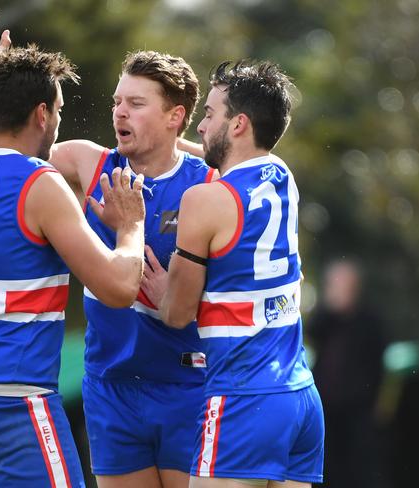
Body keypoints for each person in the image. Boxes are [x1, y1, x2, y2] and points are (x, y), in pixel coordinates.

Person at [0, 5, 215, 486]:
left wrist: (180, 296)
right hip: (110, 386)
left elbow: (259, 175)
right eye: (117, 101)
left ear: (176, 115)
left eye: (136, 103)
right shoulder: (85, 162)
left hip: (186, 384)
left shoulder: (210, 184)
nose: (118, 111)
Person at [0, 5, 146, 487]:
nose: (60, 121)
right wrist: (130, 225)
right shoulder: (40, 183)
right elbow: (118, 287)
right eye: (59, 111)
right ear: (41, 113)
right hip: (11, 408)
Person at [141, 60, 324, 487]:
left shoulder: (204, 199)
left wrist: (168, 288)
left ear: (239, 124)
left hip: (243, 399)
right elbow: (227, 162)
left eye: (208, 114)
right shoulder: (282, 176)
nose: (200, 127)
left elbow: (176, 314)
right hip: (300, 398)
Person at [307, 259, 386, 488]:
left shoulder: (369, 321)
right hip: (326, 406)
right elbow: (313, 333)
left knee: (358, 467)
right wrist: (331, 308)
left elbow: (376, 365)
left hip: (357, 408)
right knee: (327, 465)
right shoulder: (325, 318)